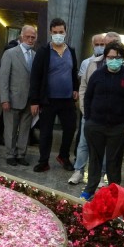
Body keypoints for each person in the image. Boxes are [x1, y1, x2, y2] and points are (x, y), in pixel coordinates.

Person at [69, 32, 124, 185]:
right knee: (84, 142)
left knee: (106, 149)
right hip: (92, 114)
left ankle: (102, 176)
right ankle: (79, 170)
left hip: (114, 118)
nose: (107, 48)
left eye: (111, 45)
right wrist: (86, 110)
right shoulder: (93, 63)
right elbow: (83, 87)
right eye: (105, 45)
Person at [80, 41, 124, 199]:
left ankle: (114, 192)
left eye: (118, 57)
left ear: (122, 59)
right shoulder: (97, 75)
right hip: (96, 124)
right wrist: (88, 118)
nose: (114, 60)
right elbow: (88, 97)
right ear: (105, 58)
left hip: (118, 126)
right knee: (95, 159)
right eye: (111, 57)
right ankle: (90, 189)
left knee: (114, 161)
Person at [29, 18, 79, 172]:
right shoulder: (43, 52)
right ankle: (43, 161)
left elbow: (73, 72)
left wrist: (75, 88)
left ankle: (64, 156)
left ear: (65, 32)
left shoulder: (71, 51)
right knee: (45, 132)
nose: (58, 35)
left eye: (61, 32)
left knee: (70, 129)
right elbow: (35, 77)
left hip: (67, 100)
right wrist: (34, 101)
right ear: (51, 32)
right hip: (48, 100)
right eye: (55, 32)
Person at [0, 25, 37, 167]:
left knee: (26, 129)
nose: (30, 39)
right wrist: (4, 99)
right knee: (11, 129)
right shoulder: (10, 53)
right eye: (28, 36)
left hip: (28, 100)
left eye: (33, 37)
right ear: (21, 36)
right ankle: (10, 154)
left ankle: (21, 154)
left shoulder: (35, 55)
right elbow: (3, 78)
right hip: (12, 99)